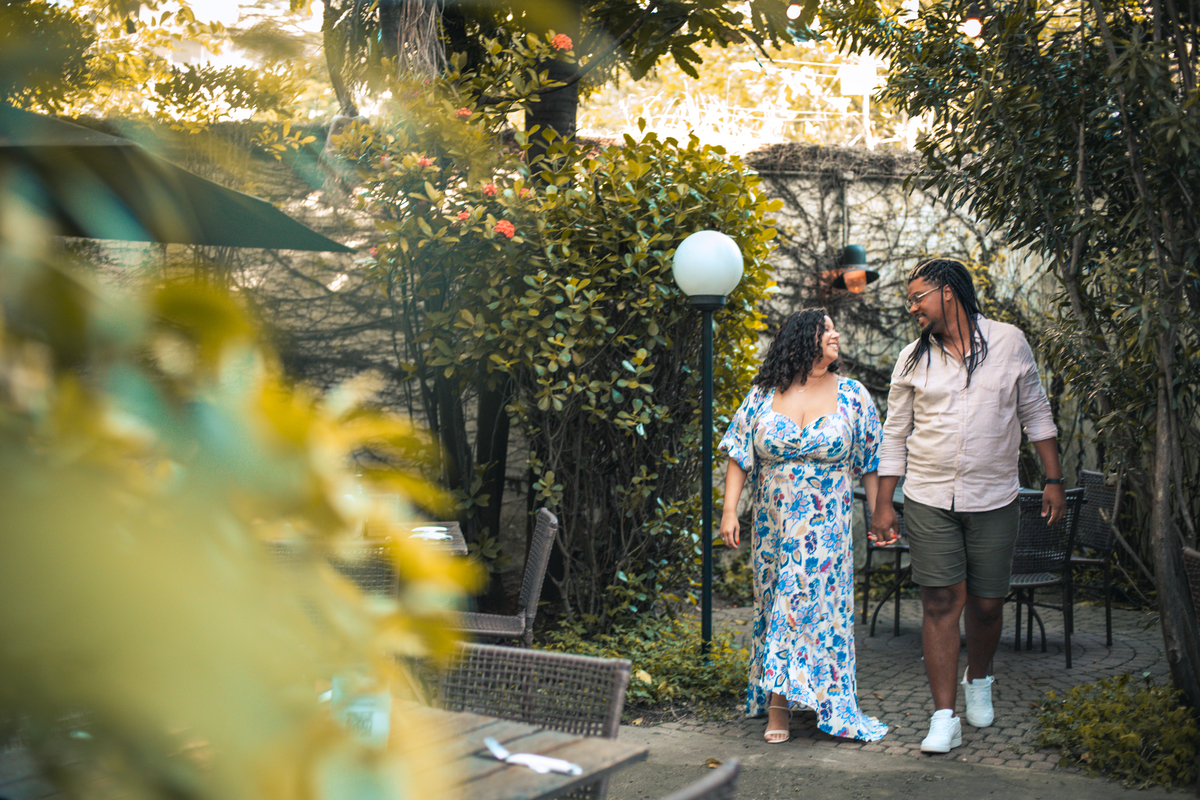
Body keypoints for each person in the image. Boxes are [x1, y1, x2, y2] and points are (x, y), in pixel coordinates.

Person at [869, 258, 1065, 754]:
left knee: (986, 603)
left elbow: (1035, 411)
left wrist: (1054, 479)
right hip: (929, 496)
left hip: (994, 495)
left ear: (948, 292)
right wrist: (884, 503)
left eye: (918, 297)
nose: (911, 307)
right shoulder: (912, 359)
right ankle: (943, 717)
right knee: (939, 603)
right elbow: (895, 433)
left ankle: (980, 679)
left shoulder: (1008, 342)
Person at [718, 308, 888, 744]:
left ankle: (804, 703)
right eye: (826, 329)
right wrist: (729, 511)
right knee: (779, 605)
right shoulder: (762, 394)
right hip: (774, 528)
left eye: (834, 328)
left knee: (817, 613)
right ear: (802, 340)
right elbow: (739, 452)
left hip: (826, 531)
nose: (835, 335)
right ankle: (781, 700)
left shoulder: (853, 395)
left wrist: (878, 513)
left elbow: (871, 460)